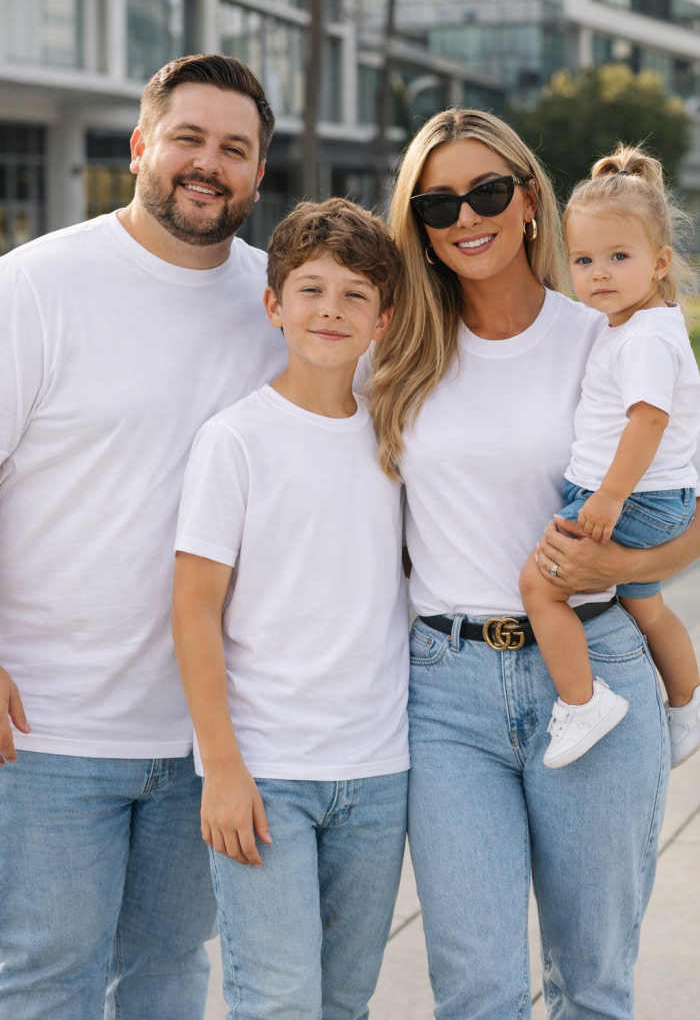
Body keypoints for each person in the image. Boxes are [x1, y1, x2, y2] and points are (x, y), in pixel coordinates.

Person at [369, 108, 700, 1020]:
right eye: (439, 202)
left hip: (596, 668)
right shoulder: (392, 357)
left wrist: (624, 567)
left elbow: (689, 507)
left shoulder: (609, 331)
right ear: (420, 226)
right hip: (447, 696)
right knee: (478, 990)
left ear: (527, 201)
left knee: (592, 987)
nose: (465, 216)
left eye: (486, 191)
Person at [0, 55, 288, 1020]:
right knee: (47, 985)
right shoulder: (37, 287)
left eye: (235, 150)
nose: (210, 165)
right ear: (140, 148)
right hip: (48, 732)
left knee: (169, 979)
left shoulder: (285, 307)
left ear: (257, 173)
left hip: (213, 737)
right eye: (190, 139)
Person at [171, 198, 409, 1020]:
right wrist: (223, 767)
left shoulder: (395, 436)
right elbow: (194, 608)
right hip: (267, 772)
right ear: (274, 305)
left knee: (344, 999)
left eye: (354, 294)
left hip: (378, 771)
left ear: (385, 317)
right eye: (310, 290)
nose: (331, 310)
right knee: (277, 1001)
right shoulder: (235, 440)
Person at [520, 145, 700, 770]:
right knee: (647, 605)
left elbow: (648, 420)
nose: (598, 273)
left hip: (635, 499)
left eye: (618, 257)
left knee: (539, 588)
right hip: (659, 496)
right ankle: (686, 704)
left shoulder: (644, 339)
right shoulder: (646, 323)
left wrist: (609, 496)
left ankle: (582, 700)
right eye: (584, 260)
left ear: (660, 262)